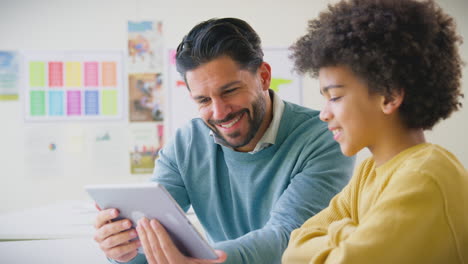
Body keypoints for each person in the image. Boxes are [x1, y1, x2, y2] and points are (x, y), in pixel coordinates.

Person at [94, 18, 355, 264]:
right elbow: (148, 234)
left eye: (229, 91)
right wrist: (123, 248)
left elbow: (289, 236)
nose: (219, 113)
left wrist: (206, 258)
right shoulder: (186, 145)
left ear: (263, 76)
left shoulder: (325, 136)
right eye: (203, 100)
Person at [282, 0, 468, 263]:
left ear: (389, 95)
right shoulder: (369, 173)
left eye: (334, 97)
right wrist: (351, 236)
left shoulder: (425, 176)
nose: (324, 113)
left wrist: (342, 236)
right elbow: (294, 248)